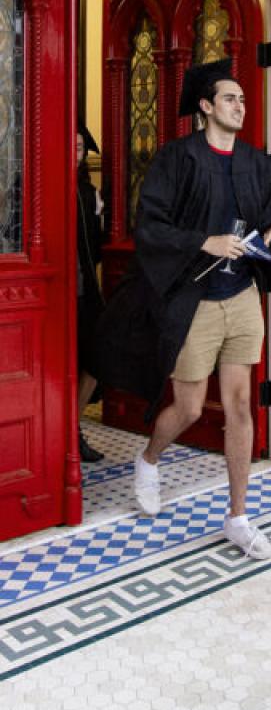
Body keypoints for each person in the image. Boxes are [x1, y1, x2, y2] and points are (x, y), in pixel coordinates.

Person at [98, 58, 271, 559]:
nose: (240, 106)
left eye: (243, 99)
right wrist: (204, 242)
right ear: (206, 107)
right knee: (186, 406)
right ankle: (149, 458)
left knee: (240, 406)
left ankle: (238, 516)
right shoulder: (175, 159)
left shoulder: (253, 161)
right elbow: (150, 226)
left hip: (242, 296)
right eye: (231, 98)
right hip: (196, 300)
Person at [77, 124, 106, 463]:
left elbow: (95, 249)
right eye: (70, 144)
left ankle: (73, 423)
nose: (76, 151)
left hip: (86, 289)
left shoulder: (88, 192)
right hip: (58, 292)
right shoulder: (37, 186)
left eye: (81, 146)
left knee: (97, 357)